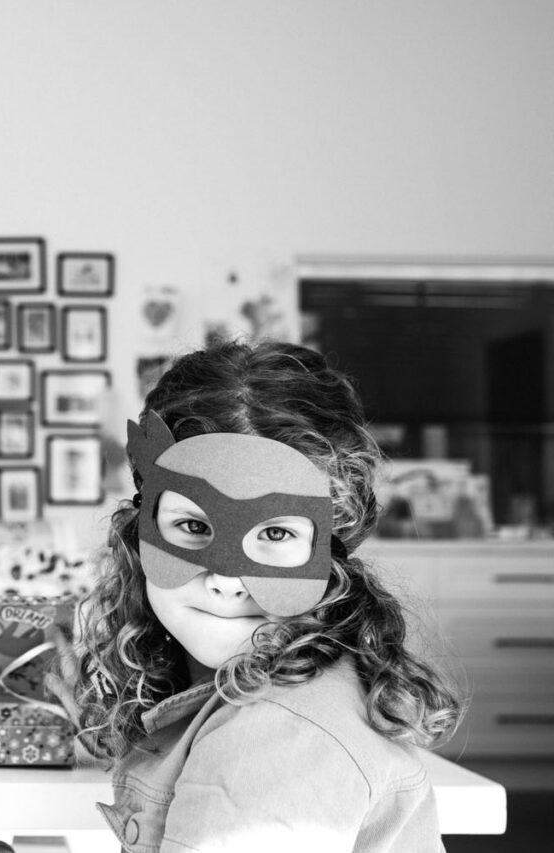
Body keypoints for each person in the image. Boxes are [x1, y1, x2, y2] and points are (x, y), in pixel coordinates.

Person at [56, 341, 464, 851]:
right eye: (191, 525)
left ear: (328, 550)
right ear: (140, 532)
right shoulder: (251, 689)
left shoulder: (274, 742)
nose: (226, 581)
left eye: (274, 535)